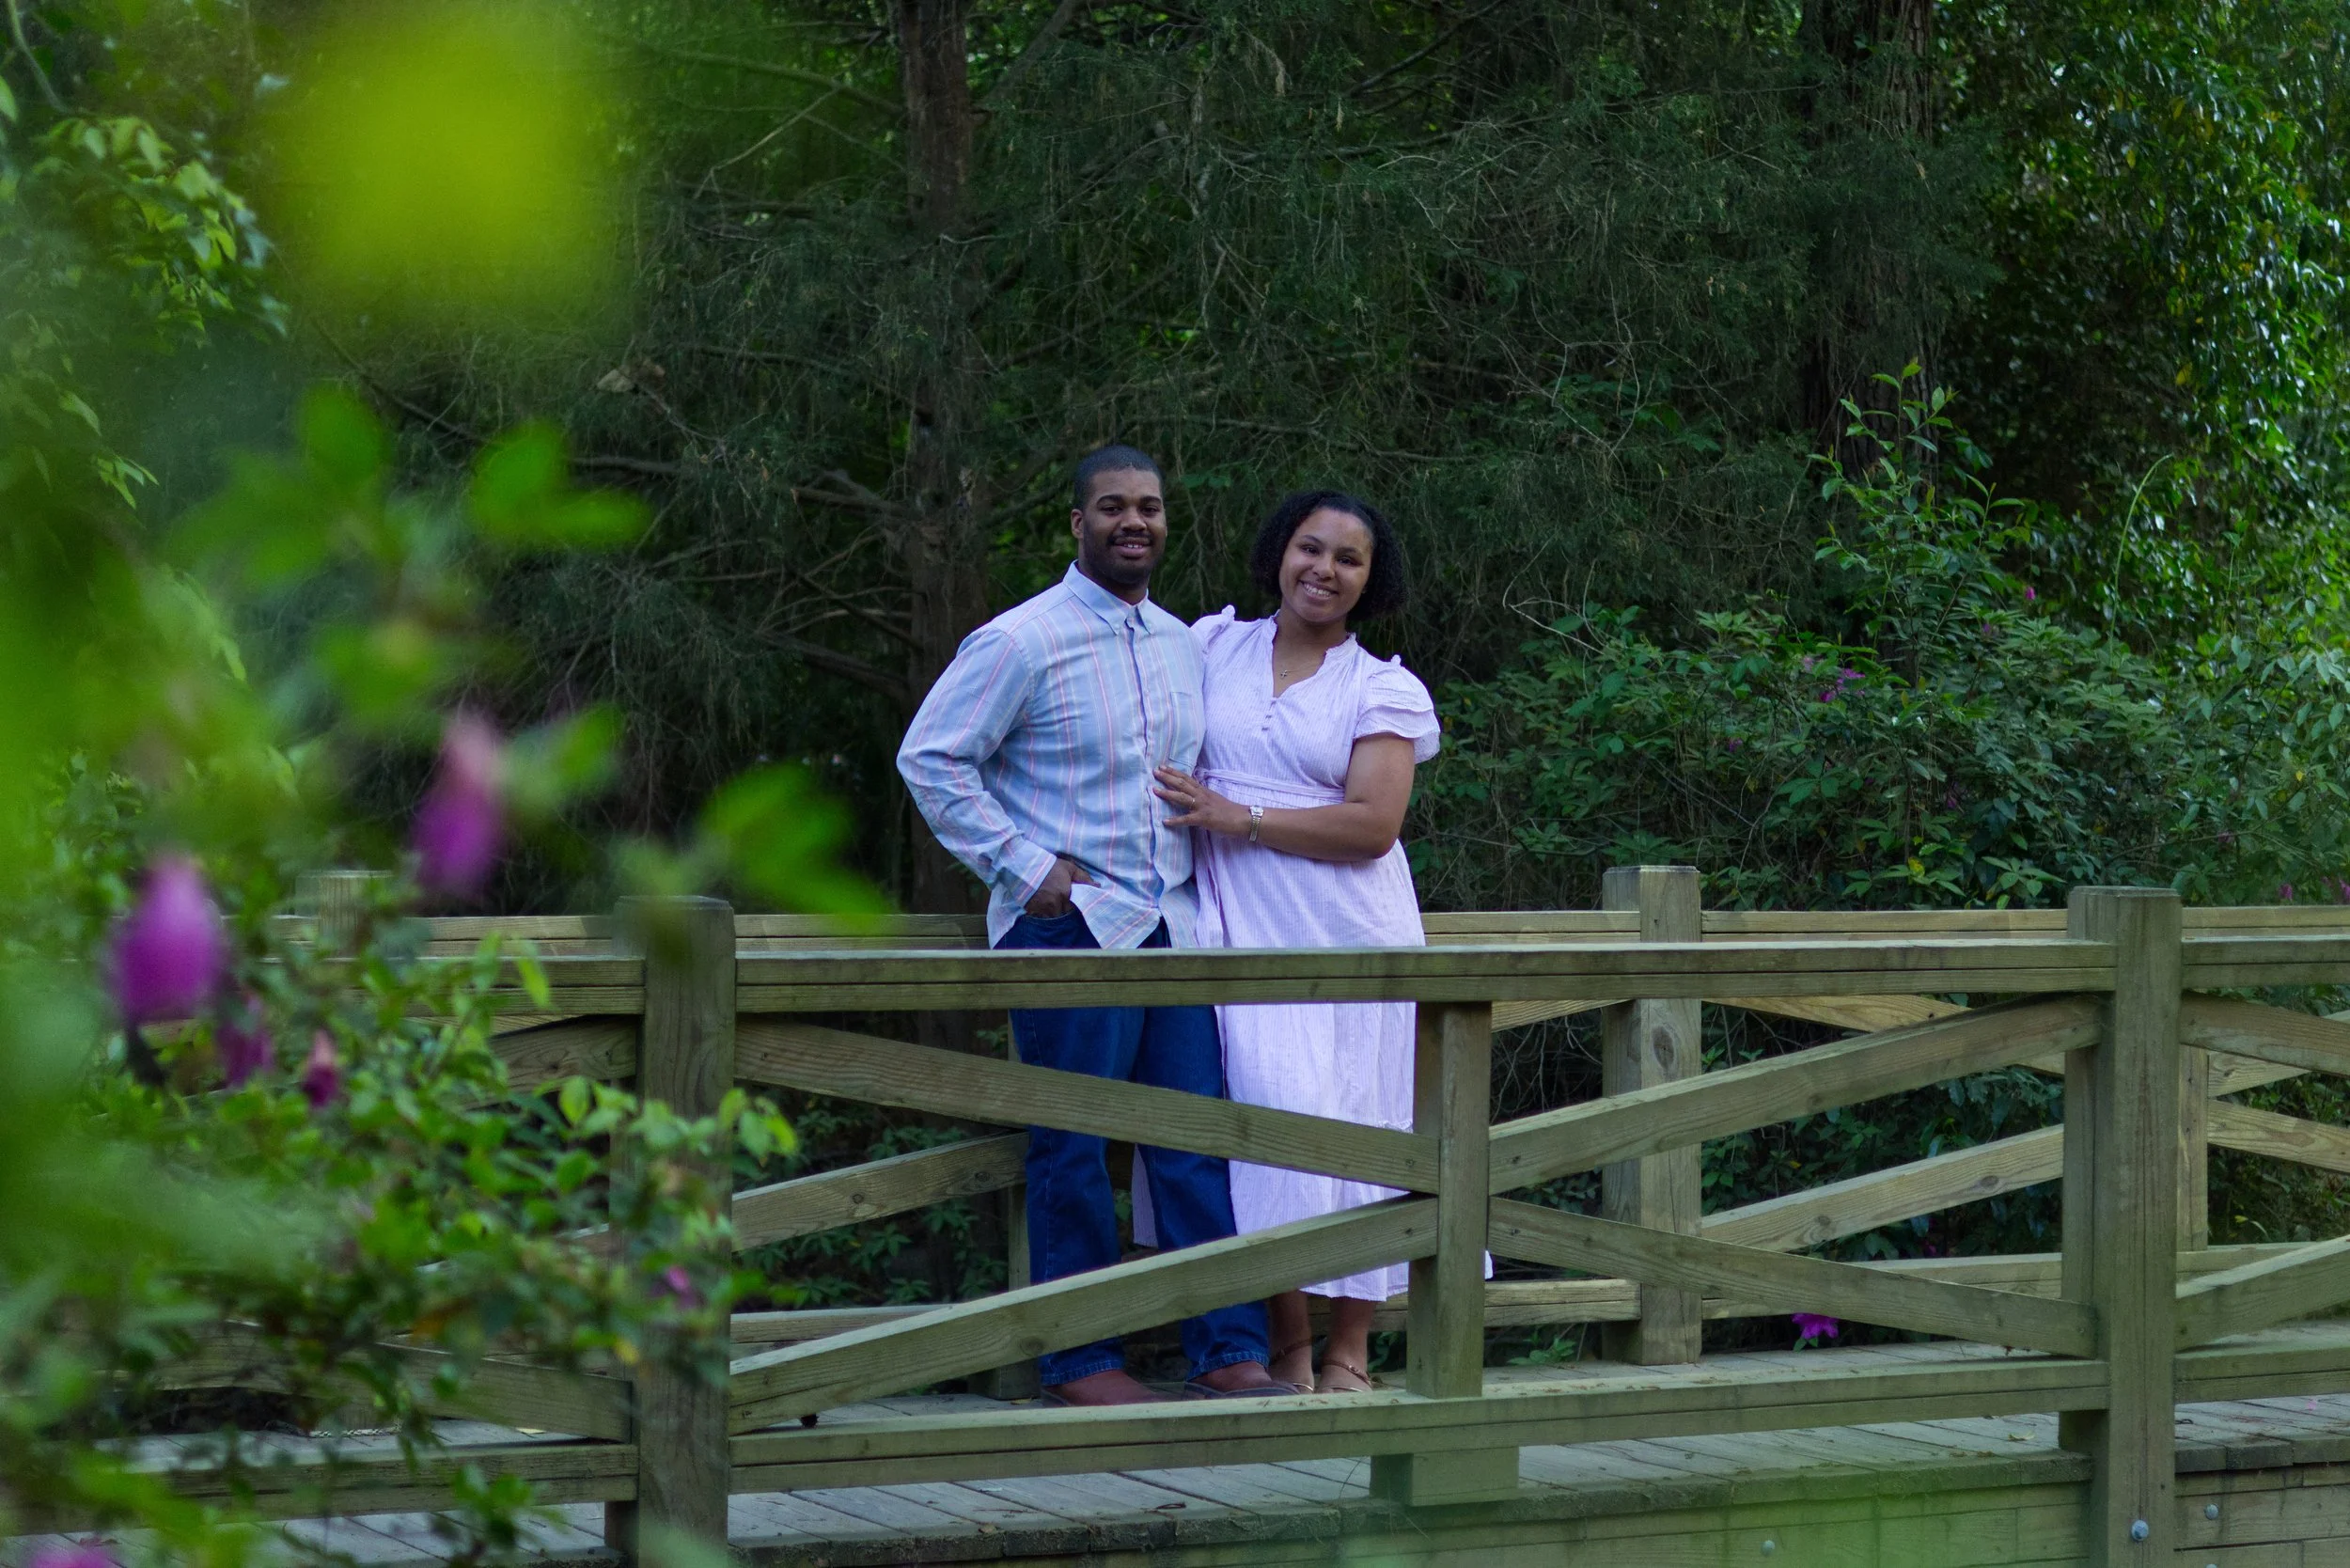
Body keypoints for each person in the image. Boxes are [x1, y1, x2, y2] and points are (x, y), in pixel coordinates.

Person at [897, 443, 1289, 1406]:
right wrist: (1030, 872)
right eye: (1112, 507)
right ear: (1077, 523)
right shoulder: (1019, 641)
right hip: (1071, 931)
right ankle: (1081, 1361)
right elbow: (932, 758)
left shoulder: (1177, 643)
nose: (1134, 522)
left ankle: (1227, 1349)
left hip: (1171, 926)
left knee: (1192, 1141)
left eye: (1149, 508)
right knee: (1072, 1148)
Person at [1149, 489, 1449, 1395]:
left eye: (1347, 559)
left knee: (1359, 1122)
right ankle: (1284, 1341)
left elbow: (1372, 825)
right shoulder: (1209, 646)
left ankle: (1350, 1347)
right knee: (1263, 1122)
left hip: (1350, 929)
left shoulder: (1381, 687)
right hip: (1239, 921)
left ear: (1370, 578)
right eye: (1309, 549)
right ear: (1279, 552)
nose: (1324, 569)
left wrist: (1239, 817)